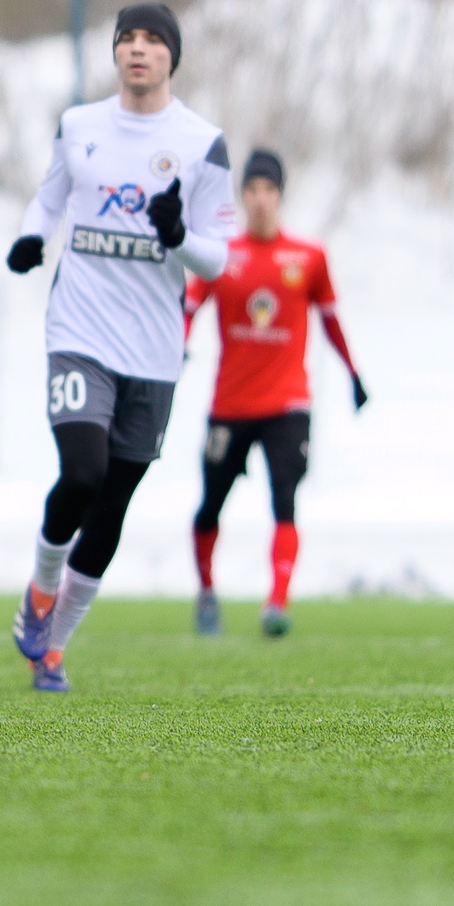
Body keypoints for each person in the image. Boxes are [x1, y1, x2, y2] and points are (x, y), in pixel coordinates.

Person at [3, 2, 234, 692]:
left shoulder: (202, 142)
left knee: (112, 503)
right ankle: (40, 589)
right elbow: (49, 200)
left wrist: (177, 236)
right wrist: (31, 238)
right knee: (82, 472)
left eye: (153, 39)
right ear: (114, 53)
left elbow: (218, 257)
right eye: (127, 38)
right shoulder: (80, 125)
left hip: (155, 349)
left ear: (172, 56)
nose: (138, 49)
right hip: (80, 331)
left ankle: (53, 649)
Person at [184, 148, 365, 640]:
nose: (261, 199)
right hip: (230, 404)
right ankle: (207, 591)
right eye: (253, 189)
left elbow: (331, 320)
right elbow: (189, 306)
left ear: (280, 195)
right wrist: (177, 346)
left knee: (285, 497)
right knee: (210, 504)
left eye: (269, 189)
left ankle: (277, 602)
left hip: (288, 402)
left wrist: (353, 374)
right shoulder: (221, 254)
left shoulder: (308, 257)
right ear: (242, 196)